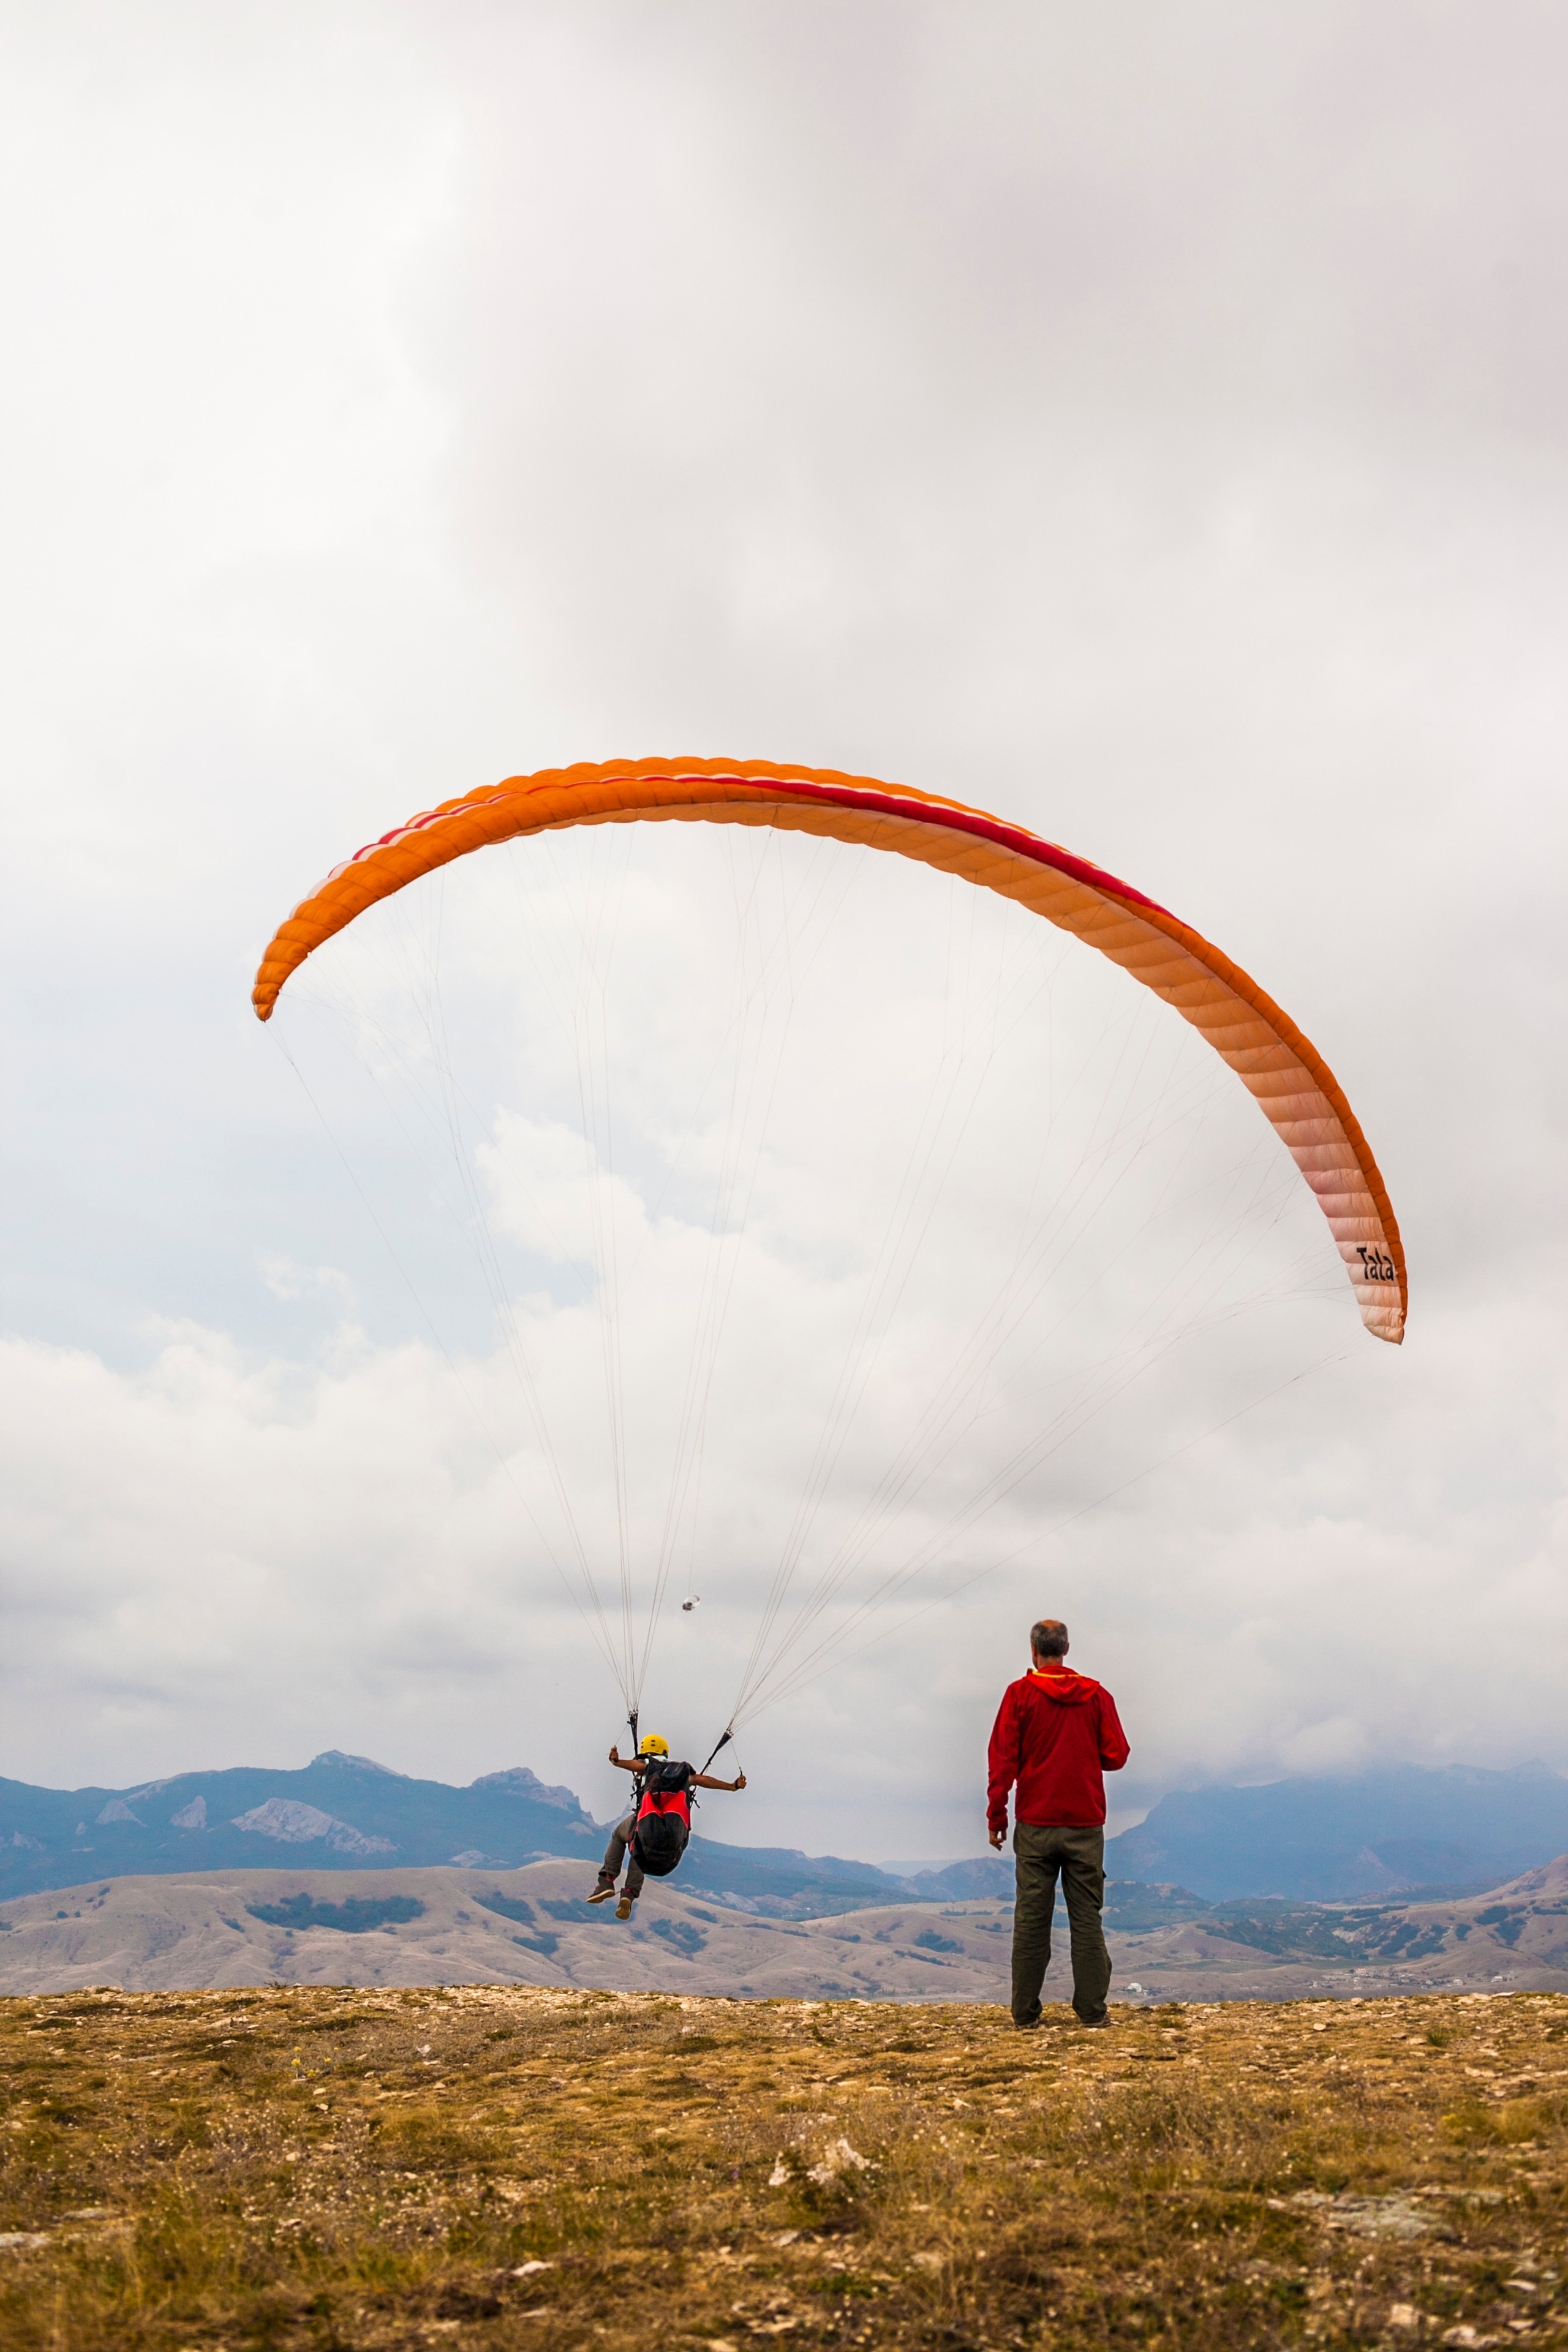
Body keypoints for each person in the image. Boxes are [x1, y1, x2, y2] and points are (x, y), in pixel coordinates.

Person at [987, 1618, 1129, 2030]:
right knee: (1087, 1919)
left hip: (1035, 1823)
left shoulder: (1019, 1696)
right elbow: (1117, 1755)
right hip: (1086, 1823)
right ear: (1066, 1649)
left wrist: (998, 1816)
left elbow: (1002, 1764)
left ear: (1034, 1651)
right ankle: (1092, 2013)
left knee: (1032, 1920)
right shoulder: (1097, 1696)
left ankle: (1025, 2015)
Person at [588, 1733, 747, 1920]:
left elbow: (638, 1767)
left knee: (623, 1836)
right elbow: (702, 1780)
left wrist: (617, 1762)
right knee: (641, 1848)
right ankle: (629, 1894)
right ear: (665, 1752)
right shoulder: (681, 1773)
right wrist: (732, 1786)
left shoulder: (650, 1767)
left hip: (647, 1822)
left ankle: (607, 1881)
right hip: (674, 1838)